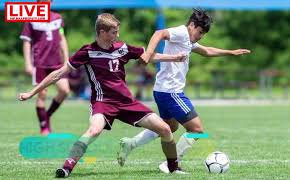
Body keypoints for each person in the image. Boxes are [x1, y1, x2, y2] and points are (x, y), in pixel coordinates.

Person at [19, 13, 187, 178]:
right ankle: (66, 168)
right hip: (102, 102)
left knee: (165, 129)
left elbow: (149, 56)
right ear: (102, 32)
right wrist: (32, 92)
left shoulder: (122, 48)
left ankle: (173, 169)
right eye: (114, 32)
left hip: (126, 102)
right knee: (93, 130)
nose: (117, 35)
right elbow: (58, 74)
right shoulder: (87, 52)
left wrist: (173, 57)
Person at [117, 8, 251, 173]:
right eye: (200, 32)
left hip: (162, 90)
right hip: (171, 92)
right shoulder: (181, 32)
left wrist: (231, 52)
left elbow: (207, 51)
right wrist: (149, 53)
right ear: (192, 25)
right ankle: (171, 164)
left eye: (203, 34)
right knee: (197, 130)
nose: (200, 36)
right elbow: (159, 33)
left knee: (169, 127)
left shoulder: (188, 39)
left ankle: (131, 144)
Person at [20, 0, 70, 135]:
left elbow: (62, 38)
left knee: (64, 90)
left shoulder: (57, 18)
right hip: (40, 63)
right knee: (42, 94)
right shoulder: (31, 19)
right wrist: (28, 64)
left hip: (57, 63)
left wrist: (66, 59)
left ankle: (47, 115)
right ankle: (44, 127)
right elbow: (26, 41)